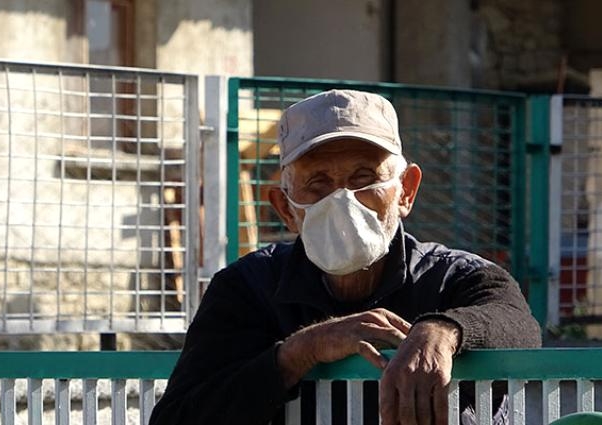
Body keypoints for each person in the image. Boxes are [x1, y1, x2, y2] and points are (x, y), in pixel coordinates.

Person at [149, 89, 541, 425]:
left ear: (405, 191)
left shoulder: (454, 278)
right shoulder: (248, 288)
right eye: (318, 182)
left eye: (364, 178)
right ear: (285, 209)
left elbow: (520, 327)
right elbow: (178, 417)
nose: (342, 200)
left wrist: (442, 331)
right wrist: (299, 352)